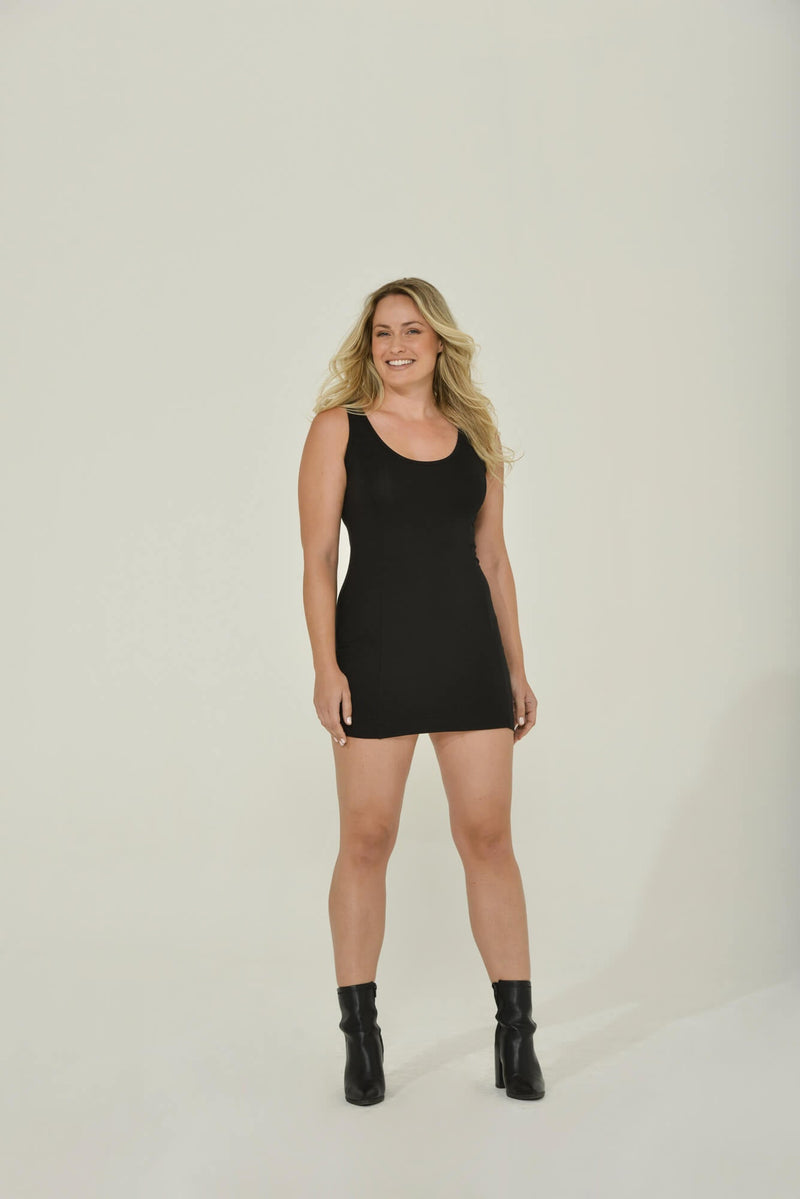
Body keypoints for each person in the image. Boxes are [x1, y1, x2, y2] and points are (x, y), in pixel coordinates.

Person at [297, 277, 545, 1105]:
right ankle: (360, 1038)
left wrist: (515, 667)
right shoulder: (338, 428)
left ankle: (517, 1037)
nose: (396, 345)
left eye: (411, 330)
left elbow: (493, 559)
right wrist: (325, 667)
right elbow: (318, 559)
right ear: (368, 346)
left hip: (468, 653)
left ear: (439, 341)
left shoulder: (475, 432)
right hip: (374, 652)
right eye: (381, 333)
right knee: (367, 838)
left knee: (488, 836)